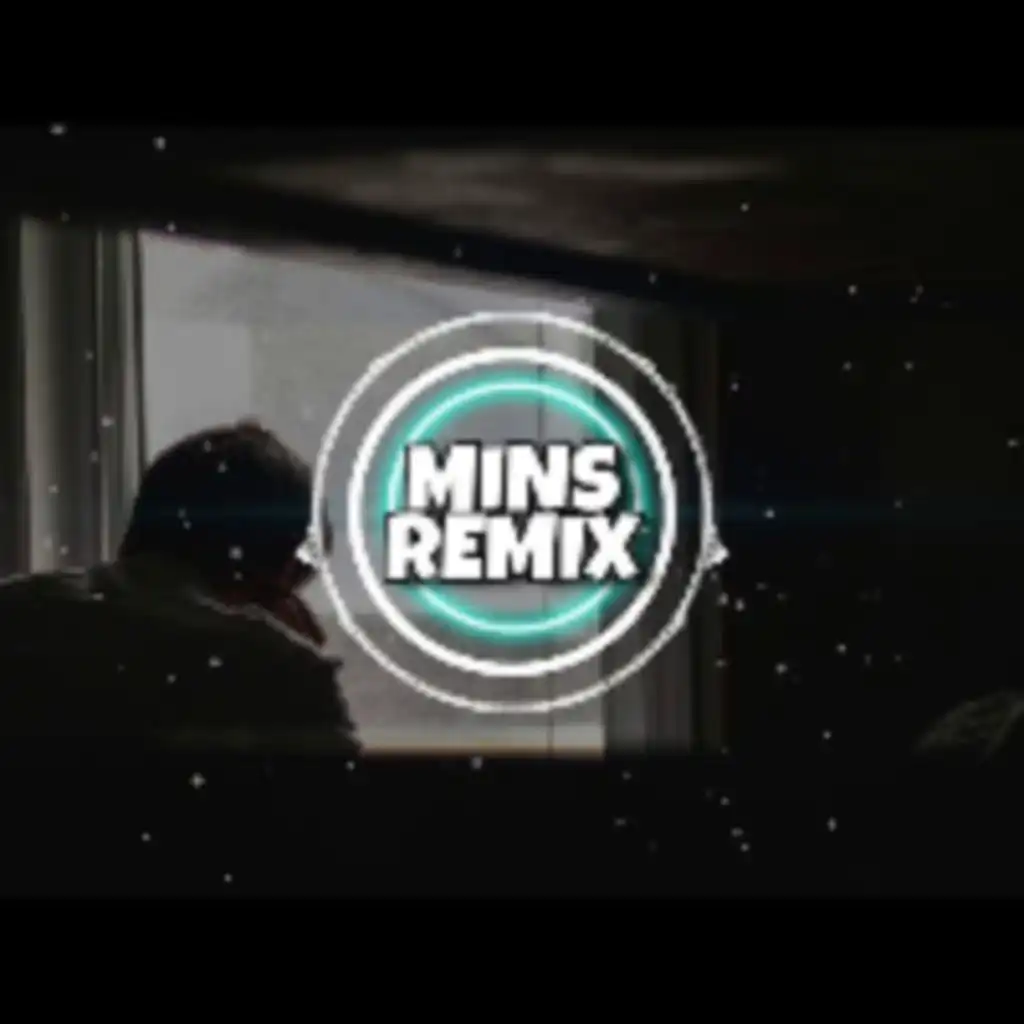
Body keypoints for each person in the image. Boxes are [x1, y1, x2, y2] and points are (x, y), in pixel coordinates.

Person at [0, 420, 360, 754]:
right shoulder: (274, 672)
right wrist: (299, 663)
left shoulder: (15, 613)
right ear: (281, 576)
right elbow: (334, 794)